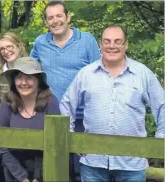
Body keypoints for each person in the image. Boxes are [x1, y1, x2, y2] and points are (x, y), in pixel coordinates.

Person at [60, 25, 164, 182]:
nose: (112, 46)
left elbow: (162, 105)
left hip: (132, 164)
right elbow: (66, 104)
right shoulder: (86, 74)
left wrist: (159, 140)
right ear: (100, 45)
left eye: (117, 41)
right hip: (93, 163)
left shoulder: (142, 74)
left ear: (126, 44)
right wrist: (72, 137)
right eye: (107, 41)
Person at [29, 1, 101, 180]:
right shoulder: (40, 42)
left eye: (59, 16)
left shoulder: (87, 40)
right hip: (51, 117)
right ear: (46, 22)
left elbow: (100, 74)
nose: (55, 21)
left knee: (83, 169)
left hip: (82, 118)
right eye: (50, 18)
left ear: (68, 17)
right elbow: (29, 71)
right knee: (55, 168)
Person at [0, 57, 60, 182]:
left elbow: (56, 143)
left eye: (29, 77)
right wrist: (22, 178)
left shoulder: (51, 102)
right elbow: (2, 144)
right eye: (19, 77)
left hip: (45, 168)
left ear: (38, 80)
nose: (23, 82)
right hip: (14, 171)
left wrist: (39, 177)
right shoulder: (7, 102)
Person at [0, 31, 28, 126]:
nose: (6, 51)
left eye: (9, 46)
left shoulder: (31, 70)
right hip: (4, 124)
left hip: (29, 123)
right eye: (2, 49)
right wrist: (3, 120)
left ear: (18, 46)